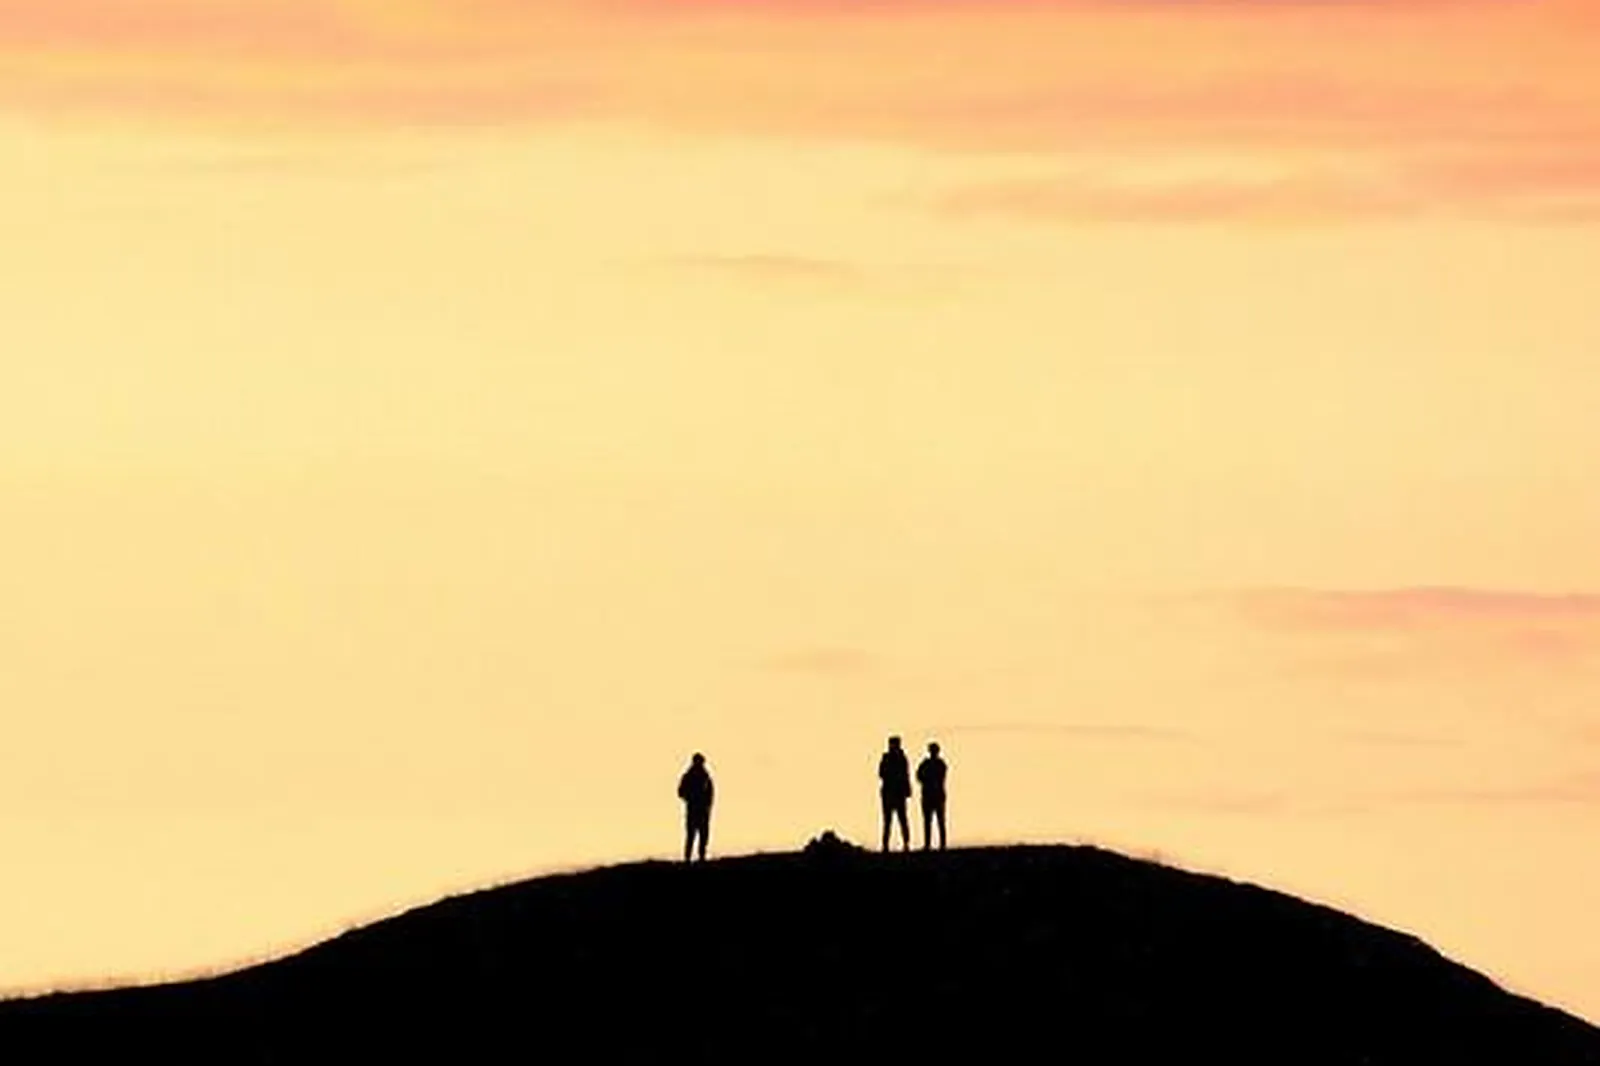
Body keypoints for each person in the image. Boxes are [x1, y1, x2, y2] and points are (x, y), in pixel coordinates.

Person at [677, 753, 714, 863]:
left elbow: (710, 793)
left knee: (703, 835)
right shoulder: (689, 776)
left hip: (702, 810)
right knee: (692, 835)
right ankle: (688, 858)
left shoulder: (706, 776)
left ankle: (701, 856)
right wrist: (691, 798)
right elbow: (680, 792)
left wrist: (708, 805)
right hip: (694, 809)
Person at [878, 736, 911, 852]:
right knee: (888, 821)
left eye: (894, 744)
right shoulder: (887, 758)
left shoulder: (902, 758)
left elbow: (906, 774)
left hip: (898, 793)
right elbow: (881, 773)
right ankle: (885, 845)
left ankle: (906, 843)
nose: (892, 746)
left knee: (902, 820)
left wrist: (907, 790)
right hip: (889, 793)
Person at [916, 741, 948, 851]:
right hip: (932, 795)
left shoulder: (934, 764)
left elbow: (920, 776)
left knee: (935, 821)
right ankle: (933, 844)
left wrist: (927, 780)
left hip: (934, 795)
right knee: (933, 821)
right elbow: (919, 776)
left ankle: (936, 844)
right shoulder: (938, 764)